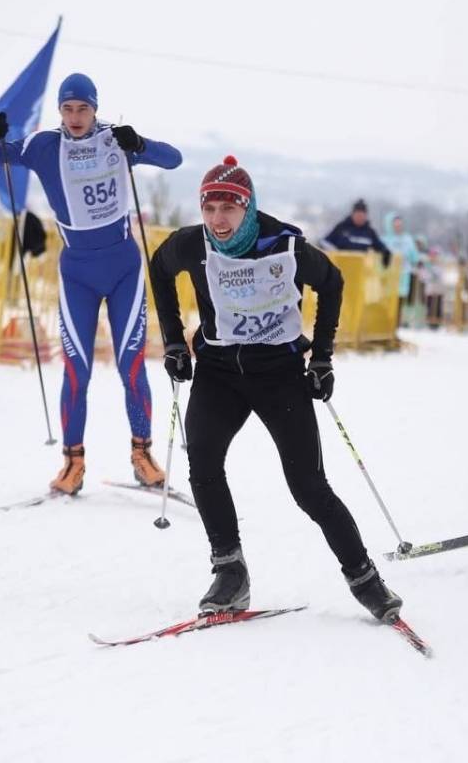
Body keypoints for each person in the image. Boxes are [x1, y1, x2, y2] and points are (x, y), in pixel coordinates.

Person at [148, 156, 404, 623]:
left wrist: (322, 356)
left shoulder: (283, 246)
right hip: (220, 372)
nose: (218, 219)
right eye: (210, 208)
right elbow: (159, 270)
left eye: (229, 207)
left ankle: (365, 578)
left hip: (278, 373)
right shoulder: (192, 245)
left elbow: (333, 282)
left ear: (248, 208)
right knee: (203, 463)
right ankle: (230, 571)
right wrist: (173, 341)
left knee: (308, 487)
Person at [0, 72, 183, 495]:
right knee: (76, 369)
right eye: (68, 109)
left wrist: (138, 144)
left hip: (124, 268)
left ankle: (142, 455)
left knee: (132, 365)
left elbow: (173, 159)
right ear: (60, 111)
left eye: (82, 108)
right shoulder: (43, 146)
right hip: (78, 274)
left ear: (95, 108)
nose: (75, 117)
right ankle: (73, 462)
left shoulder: (113, 141)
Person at [321, 199, 391, 266]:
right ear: (353, 214)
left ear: (366, 216)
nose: (360, 218)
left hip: (361, 271)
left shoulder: (369, 232)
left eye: (362, 215)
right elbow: (325, 242)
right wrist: (334, 252)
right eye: (358, 215)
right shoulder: (342, 228)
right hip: (342, 268)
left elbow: (379, 246)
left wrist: (385, 252)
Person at [380, 212, 420, 319]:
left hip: (403, 276)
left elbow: (414, 257)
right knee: (387, 303)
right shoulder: (384, 240)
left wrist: (416, 260)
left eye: (400, 224)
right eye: (395, 224)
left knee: (399, 302)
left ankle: (395, 327)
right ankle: (386, 325)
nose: (398, 227)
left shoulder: (407, 239)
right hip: (388, 276)